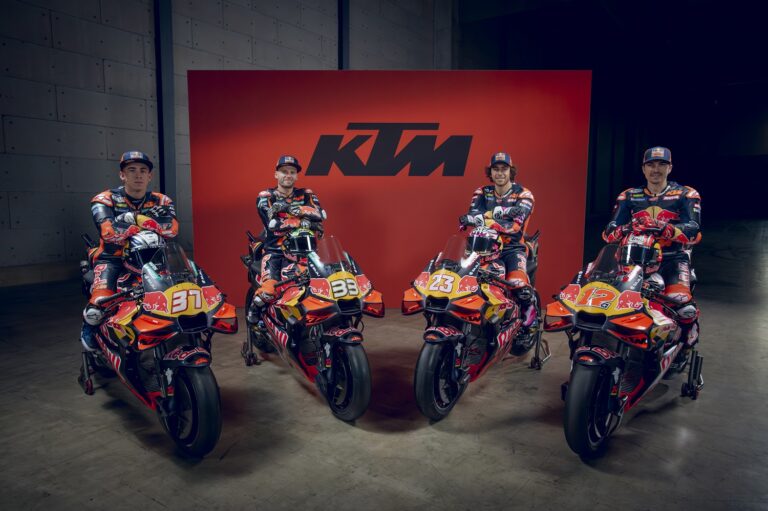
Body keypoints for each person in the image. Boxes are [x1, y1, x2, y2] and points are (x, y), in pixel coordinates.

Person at [603, 146, 701, 366]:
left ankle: (684, 343)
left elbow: (694, 230)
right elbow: (609, 232)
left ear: (670, 167)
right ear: (643, 169)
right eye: (651, 165)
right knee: (611, 300)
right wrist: (627, 227)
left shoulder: (686, 194)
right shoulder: (628, 196)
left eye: (661, 164)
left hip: (672, 259)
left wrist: (664, 228)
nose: (656, 169)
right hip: (632, 259)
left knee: (684, 307)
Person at [80, 151, 178, 351]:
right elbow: (109, 233)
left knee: (178, 294)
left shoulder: (162, 200)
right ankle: (89, 328)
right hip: (112, 258)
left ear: (150, 176)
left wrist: (129, 221)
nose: (138, 175)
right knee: (97, 305)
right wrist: (150, 221)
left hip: (153, 258)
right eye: (131, 170)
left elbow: (172, 230)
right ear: (122, 175)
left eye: (143, 170)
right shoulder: (104, 199)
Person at [462, 152, 537, 328]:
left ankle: (530, 315)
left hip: (513, 248)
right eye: (496, 169)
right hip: (483, 248)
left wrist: (484, 217)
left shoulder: (524, 194)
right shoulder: (482, 192)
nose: (500, 173)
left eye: (504, 169)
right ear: (490, 172)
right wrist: (503, 213)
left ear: (511, 171)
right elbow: (470, 216)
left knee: (519, 285)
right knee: (464, 280)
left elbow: (515, 226)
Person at [249, 155, 326, 321]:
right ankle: (253, 313)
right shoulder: (265, 196)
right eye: (284, 171)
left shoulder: (306, 193)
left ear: (296, 176)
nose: (288, 175)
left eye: (292, 172)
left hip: (306, 251)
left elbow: (320, 214)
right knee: (269, 291)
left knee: (323, 286)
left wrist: (290, 209)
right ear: (276, 174)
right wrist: (305, 220)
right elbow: (273, 224)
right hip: (275, 252)